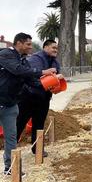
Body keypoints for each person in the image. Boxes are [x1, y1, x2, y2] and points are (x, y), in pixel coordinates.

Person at [0, 33, 56, 175]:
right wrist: (43, 71)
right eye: (28, 44)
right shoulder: (6, 54)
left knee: (11, 137)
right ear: (19, 43)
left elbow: (31, 80)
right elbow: (17, 71)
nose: (31, 47)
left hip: (10, 105)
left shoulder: (23, 60)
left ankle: (10, 167)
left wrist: (50, 84)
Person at [17, 39, 63, 157]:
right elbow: (34, 79)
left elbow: (56, 75)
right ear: (45, 47)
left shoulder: (54, 61)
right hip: (28, 97)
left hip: (43, 98)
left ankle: (37, 149)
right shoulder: (35, 59)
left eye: (56, 48)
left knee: (39, 124)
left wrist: (58, 79)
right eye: (53, 47)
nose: (55, 50)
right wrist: (52, 78)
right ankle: (10, 151)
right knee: (19, 123)